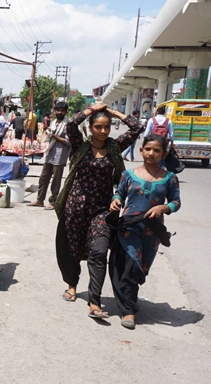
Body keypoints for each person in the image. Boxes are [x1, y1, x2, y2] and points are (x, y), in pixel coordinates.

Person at [53, 102, 144, 319]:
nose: (103, 131)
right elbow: (72, 124)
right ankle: (72, 285)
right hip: (76, 206)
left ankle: (94, 301)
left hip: (102, 209)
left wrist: (112, 112)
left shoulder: (114, 146)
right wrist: (93, 110)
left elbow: (136, 127)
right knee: (72, 248)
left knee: (100, 251)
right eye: (98, 127)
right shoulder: (80, 145)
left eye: (107, 126)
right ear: (91, 127)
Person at [108, 134, 180, 329]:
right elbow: (119, 193)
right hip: (129, 228)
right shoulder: (128, 174)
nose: (151, 153)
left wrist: (163, 208)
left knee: (140, 268)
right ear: (141, 150)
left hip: (152, 232)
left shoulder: (170, 178)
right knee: (131, 266)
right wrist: (116, 201)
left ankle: (127, 299)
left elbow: (176, 202)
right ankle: (129, 311)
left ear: (163, 153)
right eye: (148, 149)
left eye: (156, 150)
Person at [29, 101, 70, 210]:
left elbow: (68, 141)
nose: (59, 112)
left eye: (61, 110)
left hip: (60, 156)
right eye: (57, 110)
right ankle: (39, 200)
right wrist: (49, 134)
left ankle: (53, 202)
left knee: (56, 181)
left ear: (65, 112)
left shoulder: (68, 125)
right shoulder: (53, 123)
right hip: (50, 154)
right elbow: (50, 136)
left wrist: (54, 136)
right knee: (43, 179)